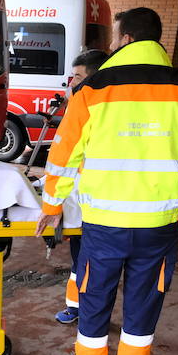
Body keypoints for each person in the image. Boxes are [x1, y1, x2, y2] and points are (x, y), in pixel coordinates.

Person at [34, 8, 178, 355]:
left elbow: (62, 157)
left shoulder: (94, 89)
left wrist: (52, 206)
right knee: (141, 315)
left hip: (104, 228)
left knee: (94, 310)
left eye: (114, 39)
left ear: (128, 39)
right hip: (159, 229)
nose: (111, 46)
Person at [54, 49, 109, 326]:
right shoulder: (84, 104)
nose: (70, 83)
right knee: (81, 261)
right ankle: (77, 306)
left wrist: (53, 204)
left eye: (77, 77)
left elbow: (66, 160)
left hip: (94, 204)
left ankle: (84, 311)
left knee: (88, 263)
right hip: (84, 201)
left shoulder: (92, 109)